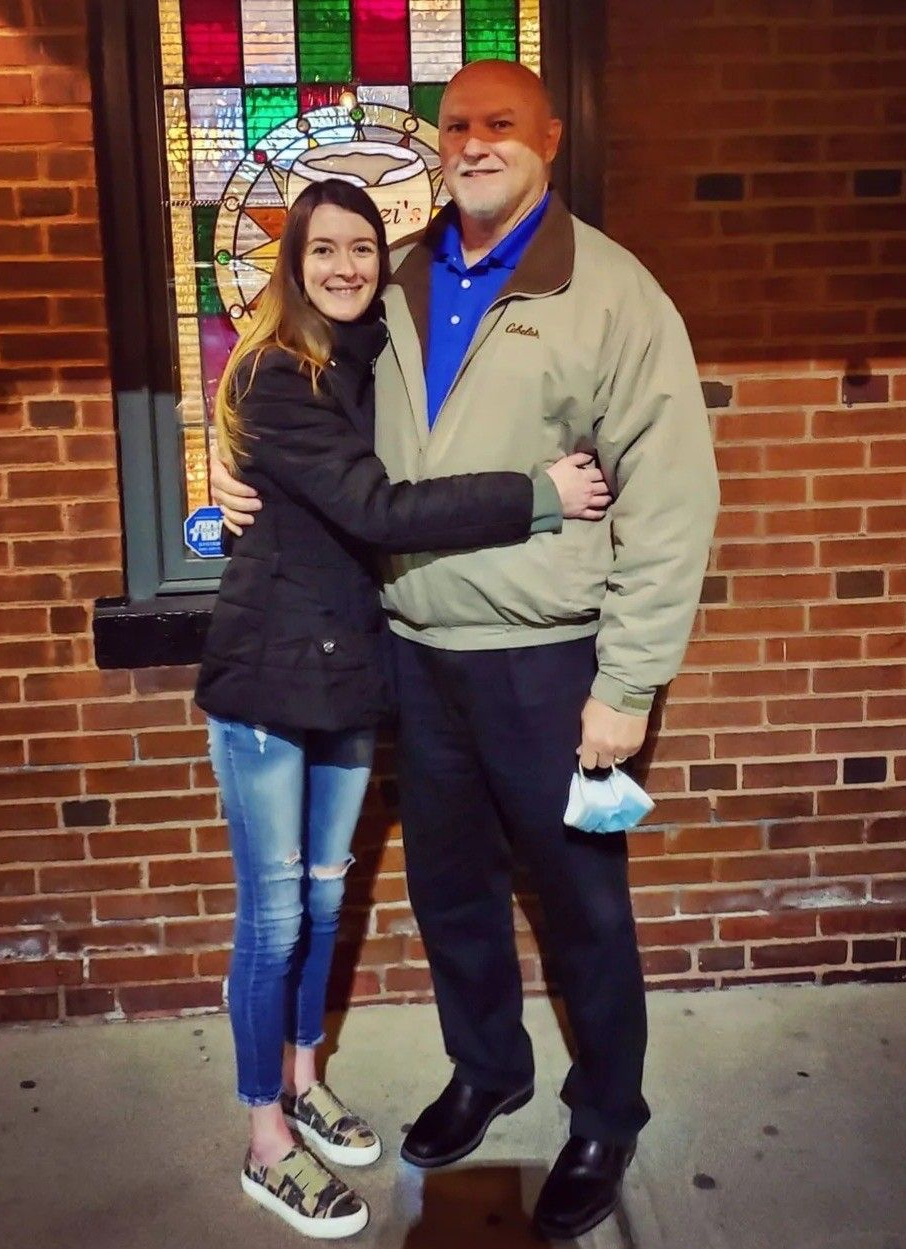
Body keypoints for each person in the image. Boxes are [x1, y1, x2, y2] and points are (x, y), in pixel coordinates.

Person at [213, 60, 719, 1241]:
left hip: (549, 660)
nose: (476, 142)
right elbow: (302, 405)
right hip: (412, 649)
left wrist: (628, 684)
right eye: (457, 125)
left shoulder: (611, 294)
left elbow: (671, 499)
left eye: (503, 123)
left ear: (550, 136)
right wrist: (226, 476)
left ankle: (606, 1114)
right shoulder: (394, 277)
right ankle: (487, 1067)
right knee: (450, 893)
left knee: (583, 902)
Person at [195, 175, 611, 1240]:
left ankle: (303, 1079)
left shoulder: (369, 351)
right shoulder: (280, 374)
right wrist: (538, 494)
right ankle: (265, 1137)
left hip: (349, 670)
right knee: (274, 915)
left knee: (324, 900)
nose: (344, 266)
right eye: (322, 249)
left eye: (361, 249)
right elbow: (375, 506)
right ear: (291, 264)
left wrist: (220, 461)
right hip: (269, 674)